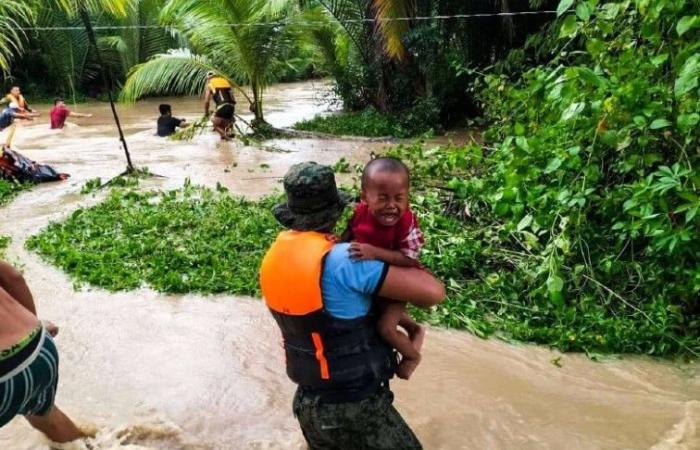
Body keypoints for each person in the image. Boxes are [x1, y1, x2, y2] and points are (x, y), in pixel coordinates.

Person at [259, 162, 446, 449]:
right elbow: (434, 293)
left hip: (308, 406)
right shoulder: (345, 259)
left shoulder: (274, 257)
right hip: (354, 408)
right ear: (336, 210)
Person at [342, 157, 426, 380]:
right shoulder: (358, 213)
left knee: (385, 329)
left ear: (407, 198)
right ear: (364, 198)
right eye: (383, 198)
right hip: (375, 278)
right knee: (376, 311)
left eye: (399, 198)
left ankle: (411, 356)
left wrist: (374, 252)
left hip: (400, 278)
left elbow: (409, 258)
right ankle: (415, 329)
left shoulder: (407, 222)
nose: (392, 205)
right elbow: (349, 236)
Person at [0, 261, 86, 443]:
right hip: (40, 348)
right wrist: (35, 323)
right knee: (47, 417)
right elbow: (13, 277)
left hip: (4, 379)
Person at [203, 71, 236, 140]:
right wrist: (232, 114)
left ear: (208, 79)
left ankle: (229, 139)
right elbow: (233, 99)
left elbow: (207, 101)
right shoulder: (225, 81)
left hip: (222, 106)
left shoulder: (210, 85)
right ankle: (226, 144)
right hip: (231, 107)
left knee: (215, 124)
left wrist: (206, 113)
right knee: (225, 127)